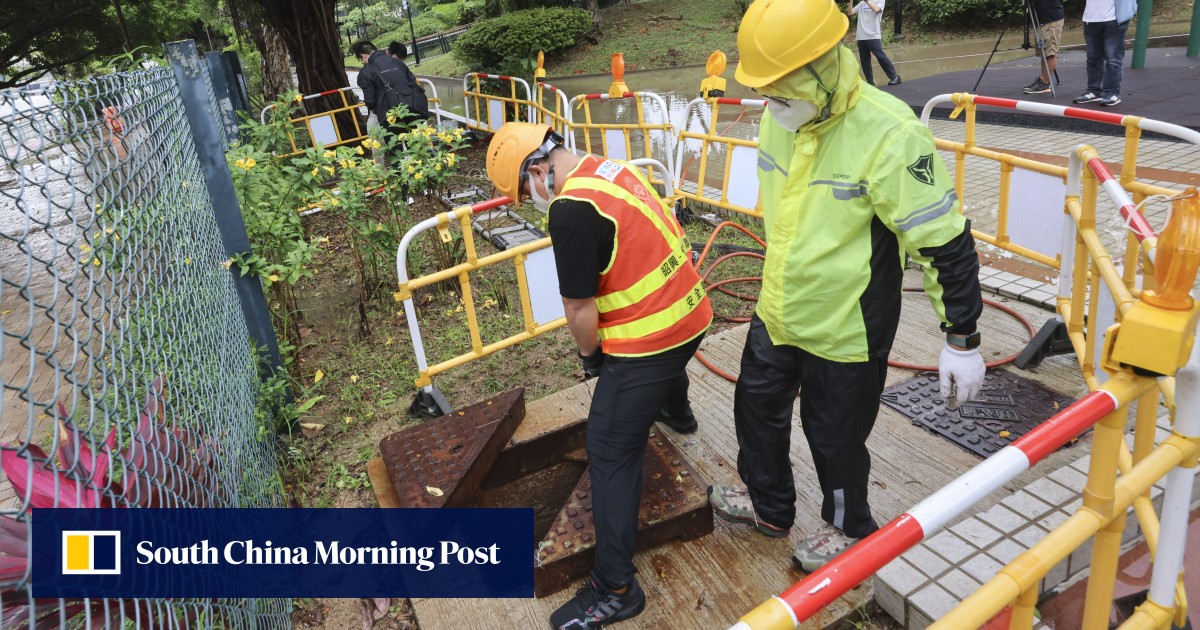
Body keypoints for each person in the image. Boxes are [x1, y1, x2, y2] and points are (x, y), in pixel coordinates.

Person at [708, 0, 985, 574]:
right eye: (767, 94)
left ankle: (847, 527)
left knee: (835, 440)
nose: (770, 106)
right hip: (780, 308)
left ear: (824, 68)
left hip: (847, 328)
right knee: (754, 410)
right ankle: (769, 504)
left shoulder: (890, 134)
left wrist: (962, 336)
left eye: (781, 93)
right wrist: (781, 103)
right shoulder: (780, 114)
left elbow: (942, 240)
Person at [485, 123, 712, 629]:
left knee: (609, 445)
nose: (530, 200)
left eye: (524, 191)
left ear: (537, 170)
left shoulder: (569, 210)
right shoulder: (609, 168)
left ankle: (614, 587)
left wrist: (592, 359)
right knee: (655, 387)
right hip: (693, 313)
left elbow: (578, 306)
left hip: (655, 337)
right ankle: (678, 410)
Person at [351, 40, 429, 136]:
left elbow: (370, 101)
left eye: (361, 59)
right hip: (412, 109)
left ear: (363, 56)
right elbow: (414, 84)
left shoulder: (366, 72)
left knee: (392, 146)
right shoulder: (398, 63)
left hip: (389, 116)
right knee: (417, 142)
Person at [1073, 0, 1137, 106]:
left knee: (1113, 59)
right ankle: (1094, 90)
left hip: (1114, 18)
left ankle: (1112, 92)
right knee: (1093, 58)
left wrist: (1132, 9)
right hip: (1091, 18)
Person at [846, 0, 900, 86]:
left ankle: (895, 77)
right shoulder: (861, 3)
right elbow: (850, 12)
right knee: (864, 60)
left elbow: (876, 10)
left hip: (873, 35)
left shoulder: (880, 1)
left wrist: (867, 1)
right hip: (861, 36)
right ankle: (870, 82)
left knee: (880, 56)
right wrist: (850, 2)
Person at [1022, 0, 1065, 94]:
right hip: (1041, 18)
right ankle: (1043, 79)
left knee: (1050, 52)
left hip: (1051, 17)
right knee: (1044, 52)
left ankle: (1045, 83)